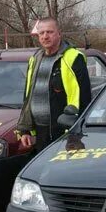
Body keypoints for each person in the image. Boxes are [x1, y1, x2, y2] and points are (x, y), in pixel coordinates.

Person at [17, 18, 92, 152]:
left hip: (66, 133)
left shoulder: (74, 57)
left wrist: (77, 131)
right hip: (40, 133)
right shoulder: (35, 59)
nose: (45, 36)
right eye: (42, 33)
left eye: (50, 32)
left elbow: (85, 97)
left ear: (59, 33)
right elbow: (28, 97)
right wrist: (24, 130)